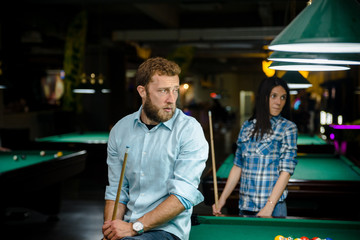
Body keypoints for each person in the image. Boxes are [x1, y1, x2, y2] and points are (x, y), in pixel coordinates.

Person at [102, 57, 209, 240]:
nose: (171, 99)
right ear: (142, 91)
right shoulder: (120, 130)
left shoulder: (189, 130)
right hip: (128, 227)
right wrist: (111, 229)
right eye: (163, 91)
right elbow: (117, 192)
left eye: (175, 90)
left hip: (167, 230)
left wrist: (134, 228)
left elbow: (182, 197)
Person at [212, 76, 298, 217]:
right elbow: (237, 166)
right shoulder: (247, 126)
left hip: (273, 209)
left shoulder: (287, 128)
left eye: (283, 97)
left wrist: (269, 207)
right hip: (245, 207)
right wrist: (222, 199)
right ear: (263, 98)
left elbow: (286, 171)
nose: (279, 102)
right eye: (274, 96)